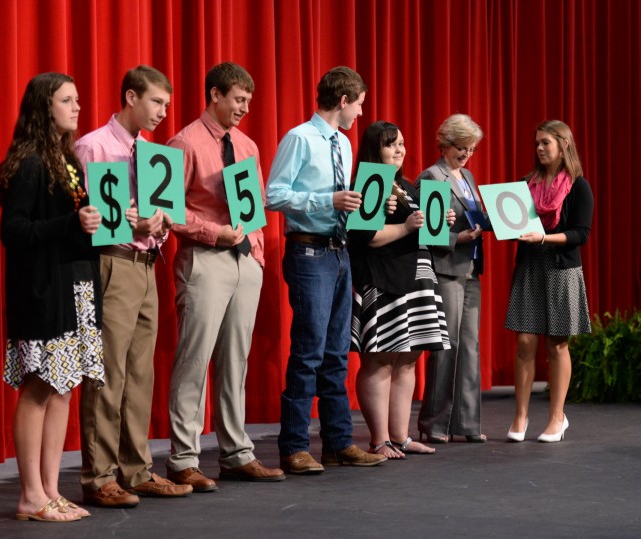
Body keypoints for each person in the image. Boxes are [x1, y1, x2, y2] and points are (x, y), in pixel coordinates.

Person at [165, 62, 285, 491]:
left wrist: (254, 253)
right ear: (214, 95)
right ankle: (183, 458)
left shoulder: (248, 146)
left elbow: (252, 206)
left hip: (243, 261)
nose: (244, 108)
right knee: (194, 359)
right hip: (205, 258)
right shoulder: (185, 142)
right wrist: (214, 231)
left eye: (249, 101)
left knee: (236, 360)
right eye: (238, 99)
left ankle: (236, 452)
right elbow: (168, 210)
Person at [76, 65, 191, 508]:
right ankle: (99, 476)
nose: (163, 112)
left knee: (141, 374)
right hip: (111, 263)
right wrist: (130, 221)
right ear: (130, 96)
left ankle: (136, 469)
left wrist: (158, 227)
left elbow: (160, 218)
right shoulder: (94, 146)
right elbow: (84, 216)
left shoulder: (153, 154)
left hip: (147, 263)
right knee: (108, 372)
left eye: (166, 103)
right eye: (156, 102)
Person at [266, 66, 387, 474]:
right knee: (309, 352)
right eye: (359, 105)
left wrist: (368, 205)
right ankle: (295, 445)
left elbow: (343, 201)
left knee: (337, 352)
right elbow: (275, 195)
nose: (360, 114)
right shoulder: (300, 138)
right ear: (343, 101)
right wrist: (327, 200)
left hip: (339, 253)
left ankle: (337, 441)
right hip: (309, 254)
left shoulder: (344, 143)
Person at [0, 72, 103, 522]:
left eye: (77, 99)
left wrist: (113, 223)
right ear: (45, 107)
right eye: (67, 100)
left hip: (75, 287)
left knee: (63, 389)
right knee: (39, 388)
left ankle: (50, 490)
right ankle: (29, 494)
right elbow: (13, 231)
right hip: (43, 291)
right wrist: (70, 225)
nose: (77, 107)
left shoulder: (68, 161)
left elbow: (78, 226)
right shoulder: (31, 164)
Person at [349, 121, 454, 459]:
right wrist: (408, 226)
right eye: (390, 144)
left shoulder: (406, 186)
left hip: (417, 277)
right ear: (373, 150)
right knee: (379, 360)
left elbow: (422, 233)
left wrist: (440, 223)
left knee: (408, 358)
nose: (399, 150)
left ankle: (401, 436)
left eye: (402, 144)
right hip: (383, 280)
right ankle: (379, 440)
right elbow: (368, 237)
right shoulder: (368, 184)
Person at [505, 120, 593, 443]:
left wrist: (544, 237)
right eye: (537, 143)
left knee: (557, 344)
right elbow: (512, 221)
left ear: (563, 145)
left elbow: (580, 234)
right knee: (525, 343)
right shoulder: (527, 184)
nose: (540, 149)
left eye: (546, 143)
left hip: (561, 268)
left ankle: (558, 417)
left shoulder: (579, 186)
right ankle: (520, 416)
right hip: (531, 266)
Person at [416, 113, 488, 444]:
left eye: (471, 149)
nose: (466, 155)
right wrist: (459, 238)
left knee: (470, 347)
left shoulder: (467, 176)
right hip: (446, 268)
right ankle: (434, 423)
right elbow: (429, 233)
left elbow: (471, 216)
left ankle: (467, 423)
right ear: (444, 145)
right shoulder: (432, 176)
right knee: (447, 346)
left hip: (470, 270)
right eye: (461, 148)